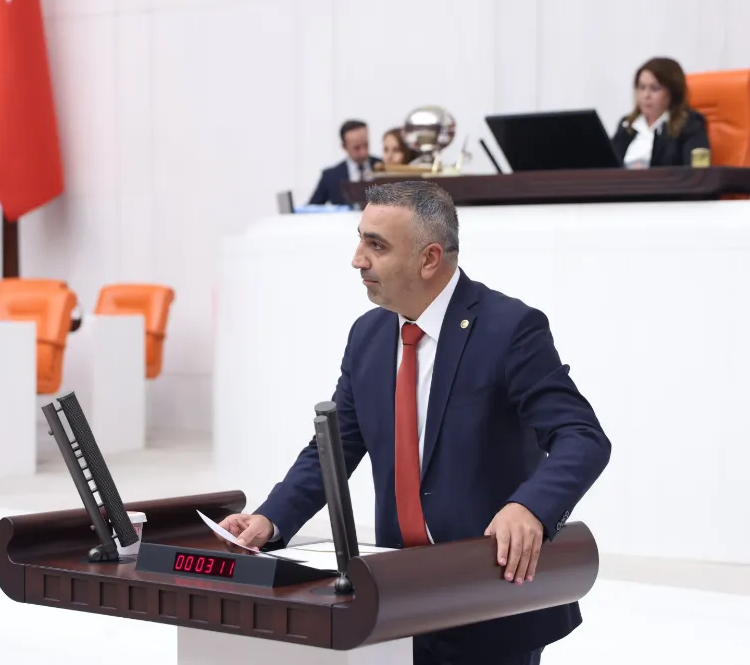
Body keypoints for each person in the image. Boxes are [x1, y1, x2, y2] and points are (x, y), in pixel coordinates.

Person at [218, 181, 611, 665]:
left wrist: (529, 507)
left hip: (492, 594)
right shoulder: (368, 336)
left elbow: (582, 437)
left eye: (376, 245)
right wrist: (271, 518)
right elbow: (336, 447)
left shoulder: (509, 329)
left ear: (429, 259)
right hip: (397, 595)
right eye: (361, 240)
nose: (357, 260)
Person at [610, 56, 710, 168]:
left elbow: (696, 173)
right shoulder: (627, 125)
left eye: (655, 88)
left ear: (672, 92)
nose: (646, 95)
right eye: (642, 87)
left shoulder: (690, 124)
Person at [308, 120, 383, 205]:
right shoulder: (330, 177)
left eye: (366, 145)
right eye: (357, 148)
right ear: (344, 147)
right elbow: (311, 208)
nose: (363, 152)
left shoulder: (385, 167)